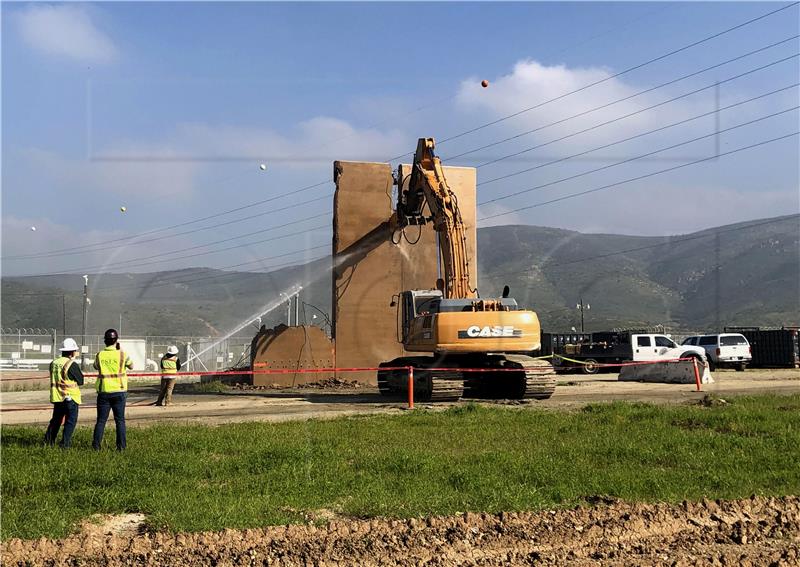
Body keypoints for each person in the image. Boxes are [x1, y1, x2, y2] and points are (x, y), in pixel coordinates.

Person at [92, 328, 133, 451]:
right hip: (119, 391)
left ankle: (96, 447)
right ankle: (121, 447)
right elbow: (131, 366)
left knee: (101, 421)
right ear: (116, 340)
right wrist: (118, 350)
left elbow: (95, 366)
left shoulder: (99, 355)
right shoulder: (122, 354)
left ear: (105, 341)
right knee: (120, 421)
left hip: (104, 391)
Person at [44, 338, 84, 448]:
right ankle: (65, 444)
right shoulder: (71, 364)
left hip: (57, 397)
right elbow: (81, 381)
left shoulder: (53, 363)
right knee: (70, 422)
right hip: (70, 397)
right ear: (72, 352)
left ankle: (48, 442)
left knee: (55, 421)